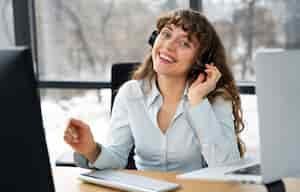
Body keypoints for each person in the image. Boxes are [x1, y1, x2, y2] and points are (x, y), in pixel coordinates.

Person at [64, 9, 245, 173]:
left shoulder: (216, 99)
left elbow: (227, 169)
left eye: (184, 43)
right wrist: (90, 149)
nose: (168, 46)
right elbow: (117, 158)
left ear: (201, 61)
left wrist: (197, 101)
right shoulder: (130, 94)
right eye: (166, 34)